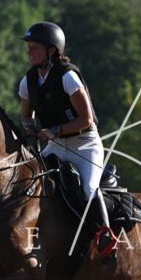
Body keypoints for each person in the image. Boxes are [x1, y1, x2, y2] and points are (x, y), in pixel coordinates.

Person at [18, 21, 113, 253]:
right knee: (30, 182)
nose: (30, 52)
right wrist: (29, 127)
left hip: (85, 144)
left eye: (35, 48)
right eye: (28, 47)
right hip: (56, 146)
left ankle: (106, 238)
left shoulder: (67, 76)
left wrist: (55, 131)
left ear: (51, 50)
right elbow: (26, 116)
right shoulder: (28, 81)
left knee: (88, 189)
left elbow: (86, 119)